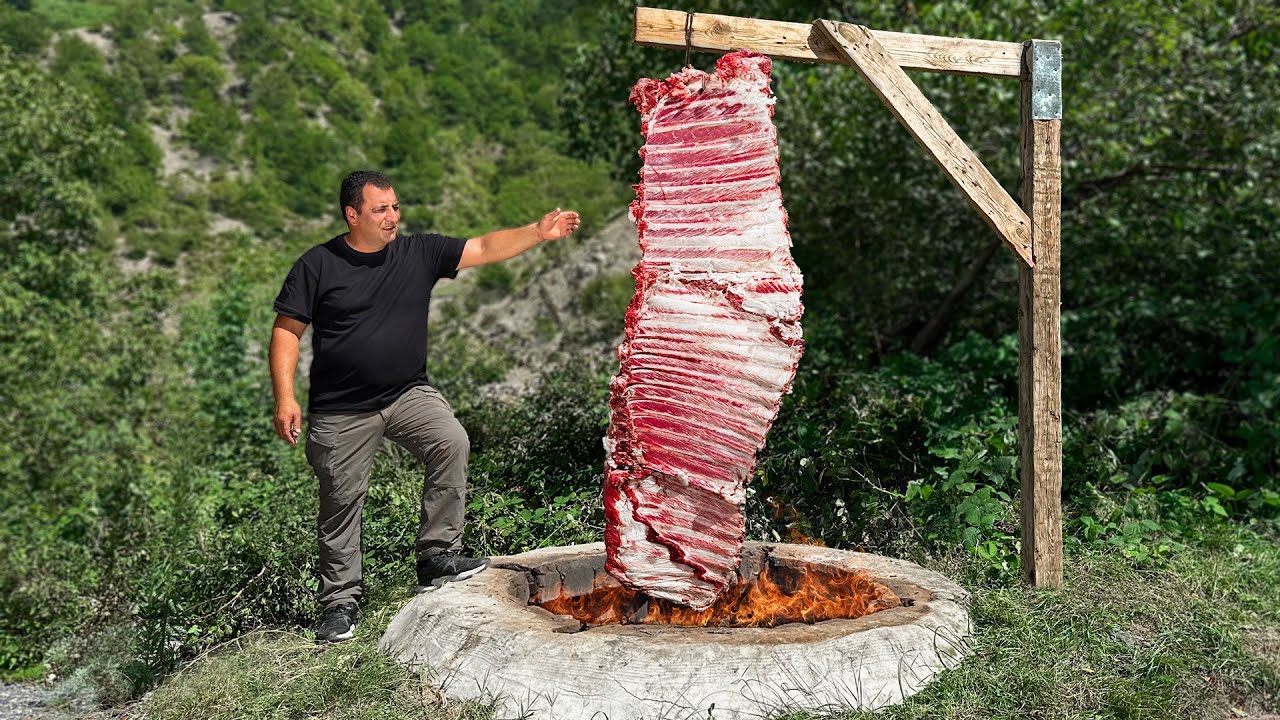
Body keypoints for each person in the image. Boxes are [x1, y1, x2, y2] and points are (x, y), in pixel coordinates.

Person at [270, 170, 580, 643]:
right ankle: (340, 603)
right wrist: (285, 397)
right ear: (353, 214)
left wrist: (538, 233)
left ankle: (437, 557)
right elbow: (287, 331)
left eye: (395, 207)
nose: (392, 217)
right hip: (341, 408)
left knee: (451, 442)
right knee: (341, 501)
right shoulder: (319, 265)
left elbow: (482, 247)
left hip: (406, 393)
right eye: (381, 210)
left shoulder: (418, 253)